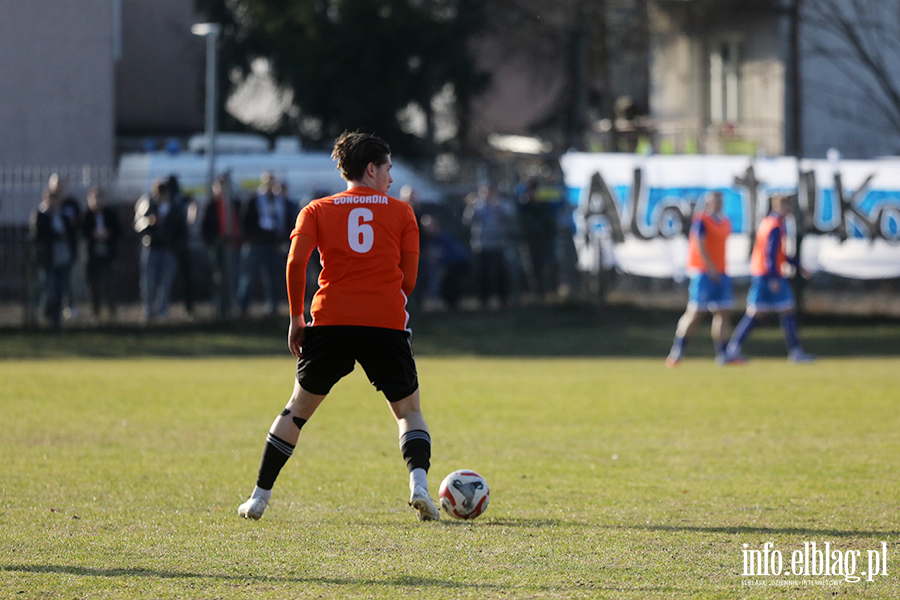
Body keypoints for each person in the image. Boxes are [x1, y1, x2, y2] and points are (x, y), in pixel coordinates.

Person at [238, 131, 439, 522]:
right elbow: (410, 280)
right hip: (384, 323)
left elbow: (296, 263)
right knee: (408, 412)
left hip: (330, 321)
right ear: (371, 169)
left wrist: (297, 318)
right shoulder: (402, 212)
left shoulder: (315, 210)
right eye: (388, 169)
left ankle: (259, 497)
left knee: (296, 410)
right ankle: (419, 486)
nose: (391, 178)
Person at [725, 194, 814, 363]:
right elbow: (770, 254)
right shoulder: (775, 225)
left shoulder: (768, 222)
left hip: (761, 273)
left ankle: (732, 349)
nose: (787, 210)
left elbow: (779, 254)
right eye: (785, 206)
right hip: (771, 275)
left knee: (755, 313)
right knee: (786, 311)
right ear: (777, 207)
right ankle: (796, 352)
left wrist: (798, 265)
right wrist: (774, 278)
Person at [666, 191, 734, 366]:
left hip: (721, 271)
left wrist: (718, 269)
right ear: (708, 203)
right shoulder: (701, 220)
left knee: (723, 312)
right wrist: (710, 268)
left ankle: (723, 354)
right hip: (703, 272)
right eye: (714, 201)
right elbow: (699, 246)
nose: (718, 204)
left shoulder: (725, 222)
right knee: (696, 312)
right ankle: (677, 351)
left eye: (720, 200)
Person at [236, 171, 293, 316]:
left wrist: (283, 240)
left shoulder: (279, 202)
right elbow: (244, 221)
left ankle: (272, 307)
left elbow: (286, 222)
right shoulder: (254, 200)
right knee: (248, 277)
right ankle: (243, 307)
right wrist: (250, 237)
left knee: (272, 278)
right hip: (255, 244)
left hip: (273, 245)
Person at [134, 179, 187, 321]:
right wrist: (148, 222)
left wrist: (176, 247)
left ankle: (163, 313)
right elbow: (137, 225)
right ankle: (149, 312)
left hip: (169, 250)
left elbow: (182, 231)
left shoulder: (175, 209)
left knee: (165, 284)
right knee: (148, 283)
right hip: (151, 248)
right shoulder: (149, 206)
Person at [30, 188, 76, 328]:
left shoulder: (63, 216)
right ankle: (45, 315)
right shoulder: (40, 215)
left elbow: (71, 233)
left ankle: (56, 320)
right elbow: (39, 234)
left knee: (60, 289)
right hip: (47, 259)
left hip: (63, 257)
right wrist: (56, 236)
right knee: (49, 288)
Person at [463, 184, 514, 308]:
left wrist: (498, 207)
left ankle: (503, 299)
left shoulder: (502, 204)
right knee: (482, 274)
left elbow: (510, 217)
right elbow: (467, 220)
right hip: (481, 245)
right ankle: (483, 300)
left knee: (500, 273)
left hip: (499, 245)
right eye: (485, 193)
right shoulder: (477, 206)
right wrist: (471, 207)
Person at [201, 175, 242, 318]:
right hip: (218, 246)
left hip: (234, 246)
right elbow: (205, 229)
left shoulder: (235, 204)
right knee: (219, 277)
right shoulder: (211, 206)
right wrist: (214, 240)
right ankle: (219, 307)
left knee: (234, 276)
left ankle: (233, 305)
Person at [82, 186, 121, 320]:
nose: (98, 201)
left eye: (100, 198)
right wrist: (94, 234)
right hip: (92, 255)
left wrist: (107, 234)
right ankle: (95, 312)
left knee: (109, 283)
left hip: (108, 254)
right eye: (95, 198)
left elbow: (118, 231)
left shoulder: (110, 214)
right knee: (93, 284)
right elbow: (83, 232)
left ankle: (112, 312)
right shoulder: (87, 215)